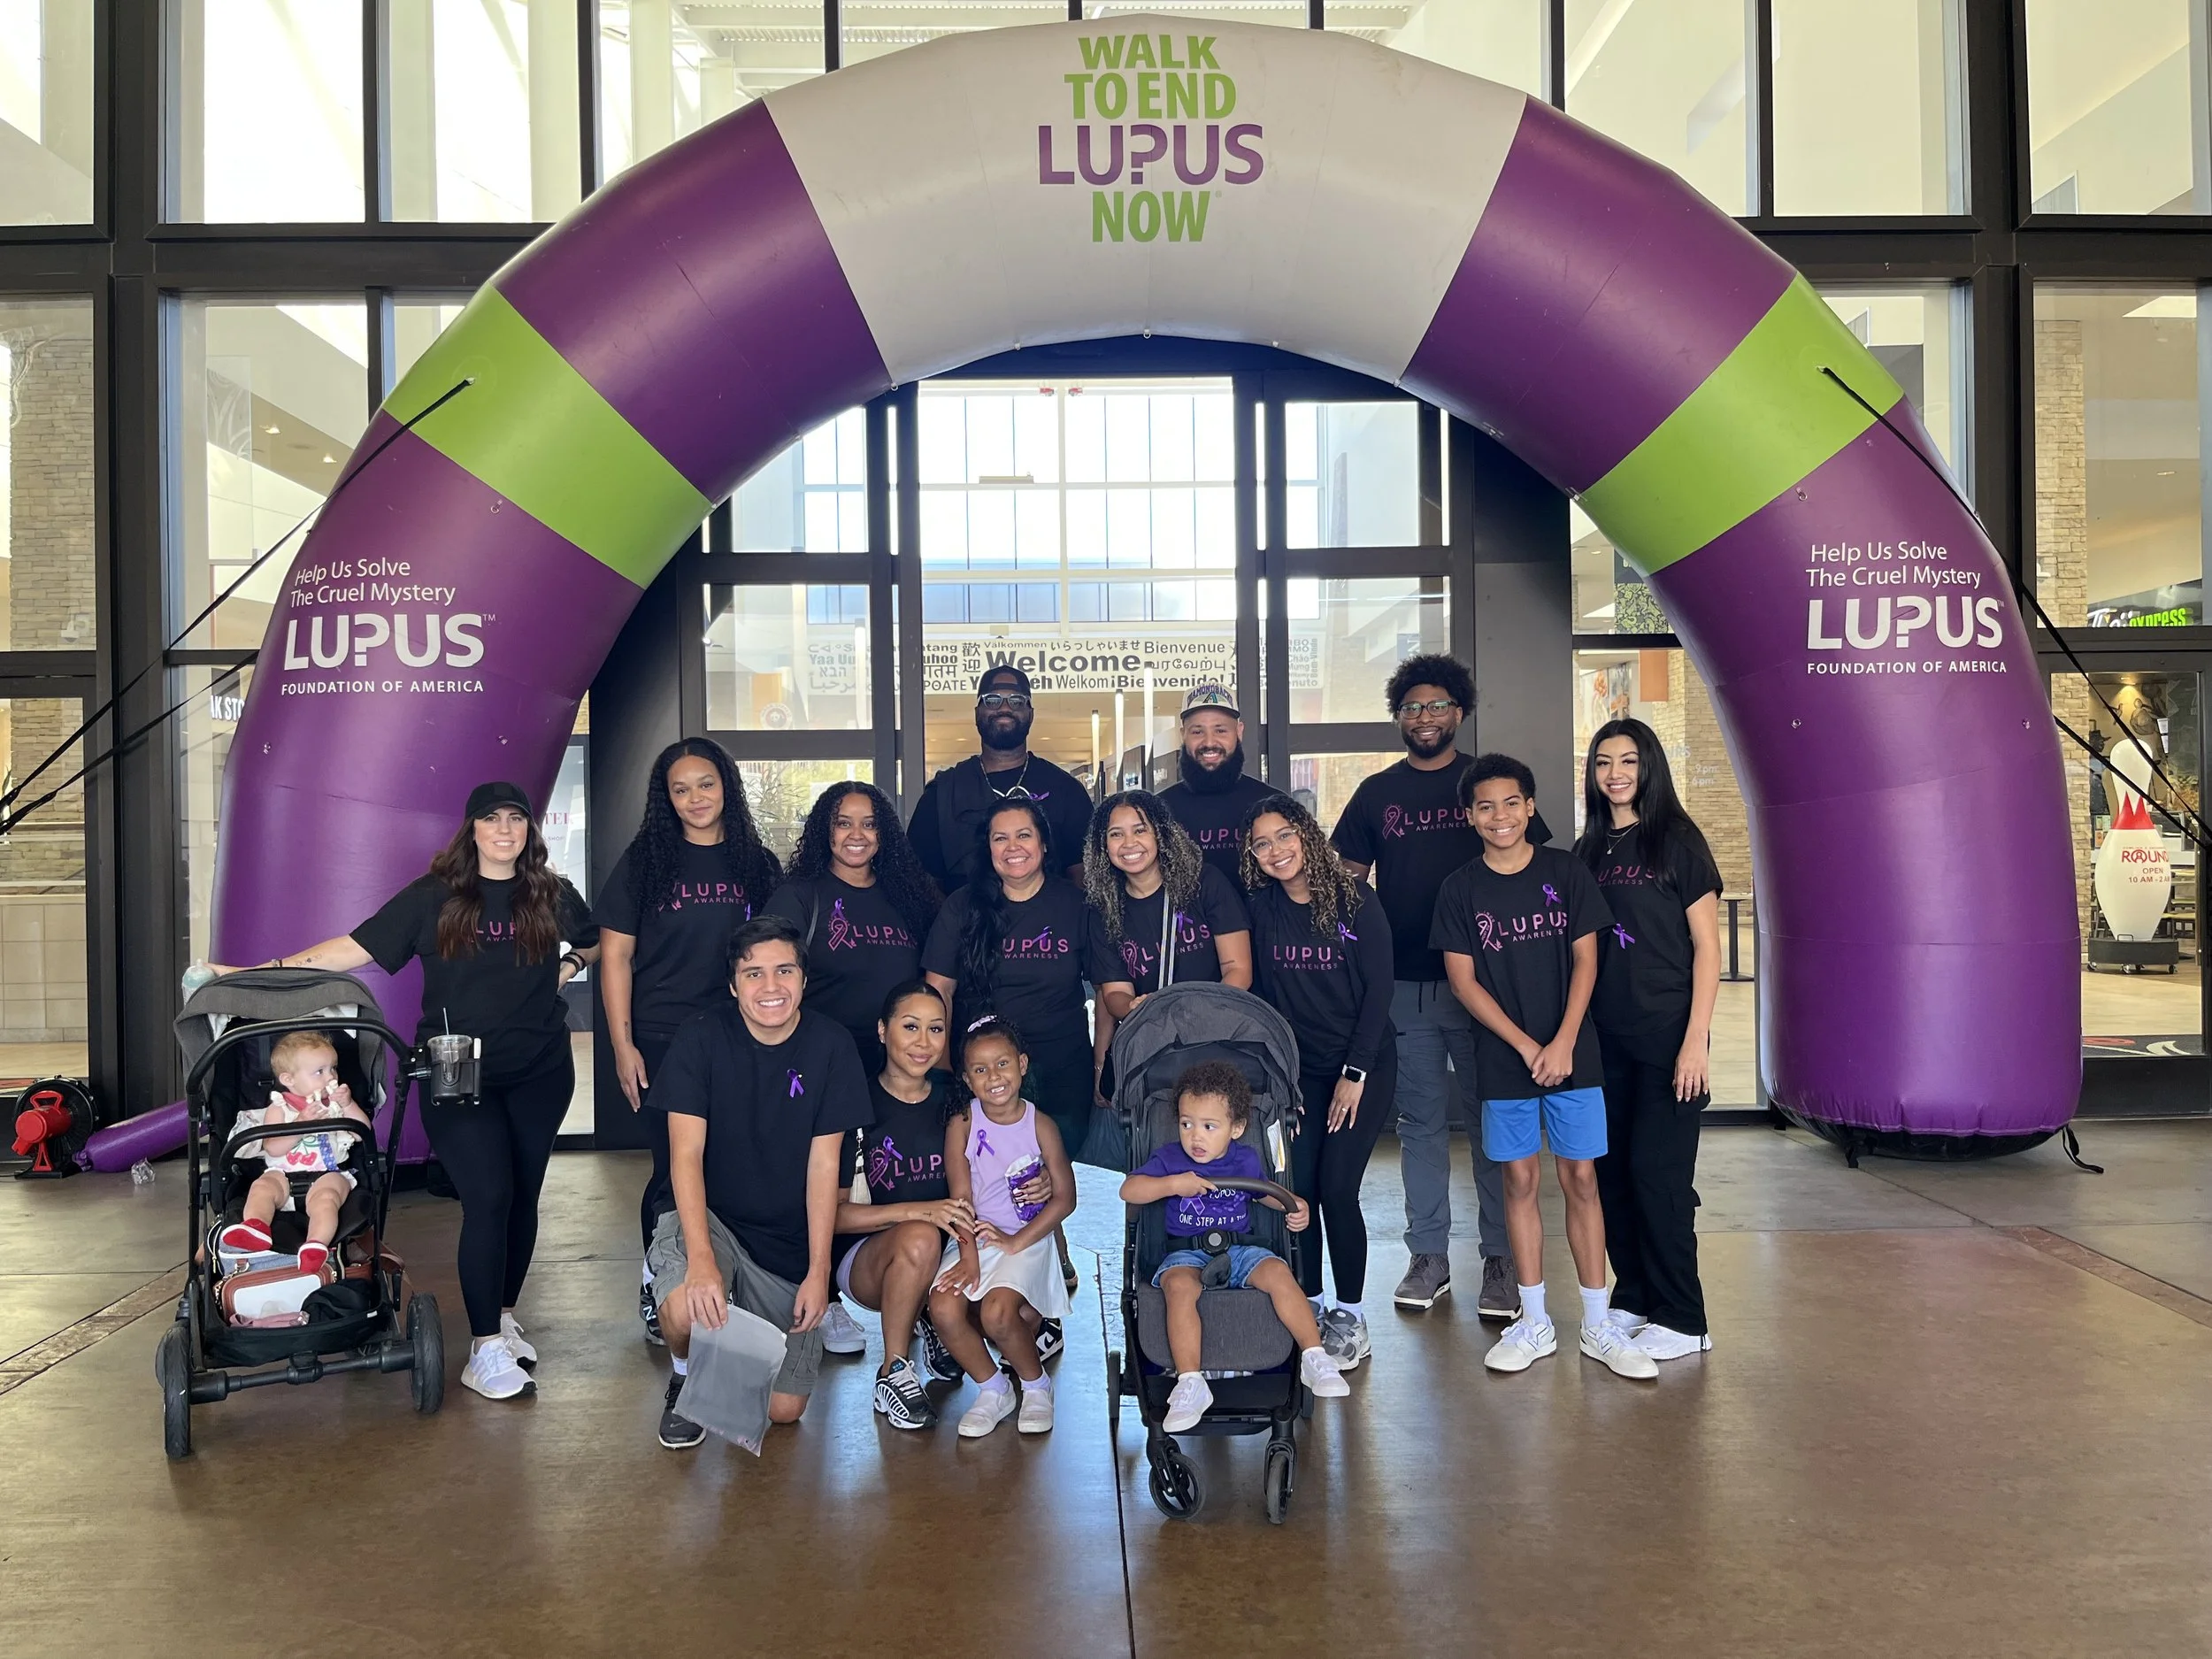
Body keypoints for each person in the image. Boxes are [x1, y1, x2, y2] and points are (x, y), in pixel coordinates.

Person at [219, 780, 598, 1402]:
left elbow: (594, 936)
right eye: (491, 818)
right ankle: (483, 1351)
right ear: (470, 828)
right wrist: (248, 975)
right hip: (456, 1075)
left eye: (516, 819)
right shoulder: (435, 897)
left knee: (524, 1194)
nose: (505, 830)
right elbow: (347, 950)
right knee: (490, 1195)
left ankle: (501, 1316)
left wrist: (569, 966)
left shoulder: (550, 894)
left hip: (541, 1069)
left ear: (529, 829)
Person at [1429, 755, 1655, 1382]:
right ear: (1469, 815)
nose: (1499, 815)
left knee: (1582, 1178)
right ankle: (1533, 1320)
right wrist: (1527, 1047)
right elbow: (1463, 981)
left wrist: (1560, 1042)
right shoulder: (1460, 888)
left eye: (1510, 802)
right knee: (1519, 1183)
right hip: (1504, 1060)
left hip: (1575, 1056)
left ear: (1530, 806)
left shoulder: (1567, 870)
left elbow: (1587, 962)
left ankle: (1597, 1322)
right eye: (1485, 806)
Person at [1329, 654, 1512, 1321]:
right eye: (1412, 707)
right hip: (1405, 987)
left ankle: (1500, 1257)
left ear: (1459, 711)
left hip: (1485, 989)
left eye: (1437, 705)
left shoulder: (1487, 784)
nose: (1425, 716)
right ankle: (1428, 1255)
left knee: (1494, 1125)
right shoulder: (1378, 793)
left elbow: (1522, 864)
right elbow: (1340, 884)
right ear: (1398, 717)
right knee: (1421, 1126)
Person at [650, 916, 873, 1450]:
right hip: (714, 1222)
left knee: (783, 1412)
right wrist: (702, 1259)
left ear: (802, 978)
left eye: (784, 971)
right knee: (686, 1305)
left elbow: (826, 1169)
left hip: (784, 1248)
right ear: (733, 984)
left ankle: (731, 1335)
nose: (770, 987)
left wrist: (821, 1274)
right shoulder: (701, 1035)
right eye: (753, 974)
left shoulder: (832, 1045)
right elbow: (686, 1154)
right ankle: (685, 1373)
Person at [596, 738, 783, 1348]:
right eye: (681, 788)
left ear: (726, 785)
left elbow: (776, 957)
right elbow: (617, 956)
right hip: (662, 1036)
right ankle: (660, 1280)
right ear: (666, 798)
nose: (695, 798)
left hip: (738, 1036)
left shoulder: (755, 862)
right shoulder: (646, 861)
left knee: (733, 1162)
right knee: (672, 1169)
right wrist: (623, 1046)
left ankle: (727, 1277)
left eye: (705, 783)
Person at [1577, 718, 1723, 1363]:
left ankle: (1685, 1315)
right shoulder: (1588, 851)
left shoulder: (1678, 842)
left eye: (1629, 761)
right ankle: (1634, 1292)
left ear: (1649, 766)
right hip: (1604, 1041)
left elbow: (1709, 950)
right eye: (1604, 761)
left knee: (1658, 1176)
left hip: (1669, 1036)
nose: (1616, 773)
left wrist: (1696, 1043)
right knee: (1611, 1174)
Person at [1241, 793, 1395, 1371]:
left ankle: (1351, 1315)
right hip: (1298, 1077)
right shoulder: (1262, 910)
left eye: (1284, 835)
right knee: (1297, 1193)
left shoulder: (1355, 902)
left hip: (1363, 1067)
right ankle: (1304, 1308)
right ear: (1252, 854)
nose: (1276, 850)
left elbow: (1379, 992)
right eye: (1262, 842)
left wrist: (1354, 1073)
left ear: (1306, 834)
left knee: (1337, 1189)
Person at [1120, 1059, 1350, 1432]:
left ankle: (1313, 1354)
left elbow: (1265, 1196)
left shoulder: (1244, 1158)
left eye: (1209, 1127)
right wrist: (1172, 1185)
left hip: (1241, 1250)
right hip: (1186, 1250)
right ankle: (1191, 1381)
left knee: (1278, 1272)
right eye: (1186, 1124)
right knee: (1178, 1287)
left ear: (1236, 1128)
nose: (1195, 1136)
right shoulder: (1169, 1159)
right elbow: (1129, 1189)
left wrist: (1294, 1205)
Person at [922, 801, 1118, 1162]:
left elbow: (1108, 991)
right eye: (1001, 838)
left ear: (1044, 844)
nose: (1013, 847)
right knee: (988, 1180)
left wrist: (1100, 1065)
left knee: (1051, 1183)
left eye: (1024, 835)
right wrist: (943, 1068)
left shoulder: (1078, 905)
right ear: (988, 849)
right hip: (983, 1074)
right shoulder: (962, 906)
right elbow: (939, 992)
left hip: (1063, 1073)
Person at [831, 982, 974, 1430]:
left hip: (947, 1250)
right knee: (918, 1236)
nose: (923, 1042)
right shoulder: (854, 1104)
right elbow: (833, 1216)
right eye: (910, 1027)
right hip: (866, 1260)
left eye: (936, 1029)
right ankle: (894, 1370)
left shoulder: (955, 1099)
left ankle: (931, 1316)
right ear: (881, 1030)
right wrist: (919, 1210)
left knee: (1015, 1314)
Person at [927, 1014, 1079, 1438]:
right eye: (980, 1069)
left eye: (1002, 1064)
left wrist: (1015, 1241)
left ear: (1022, 1065)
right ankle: (994, 1389)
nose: (993, 1077)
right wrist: (970, 1257)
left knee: (997, 1313)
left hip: (1026, 1239)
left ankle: (1035, 1386)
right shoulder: (963, 1122)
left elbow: (1065, 1198)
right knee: (942, 1304)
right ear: (967, 1078)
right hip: (974, 1235)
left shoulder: (1041, 1125)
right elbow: (962, 1199)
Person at [762, 782, 940, 1078]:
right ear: (825, 830)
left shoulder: (911, 897)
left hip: (899, 1070)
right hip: (818, 1066)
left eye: (869, 824)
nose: (857, 835)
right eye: (843, 823)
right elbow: (768, 979)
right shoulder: (799, 896)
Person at [909, 666, 1091, 893]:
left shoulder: (1066, 791)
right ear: (977, 712)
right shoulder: (942, 794)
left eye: (1017, 701)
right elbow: (921, 883)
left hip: (1050, 926)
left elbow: (1083, 879)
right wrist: (952, 925)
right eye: (992, 700)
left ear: (1031, 714)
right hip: (963, 925)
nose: (1004, 708)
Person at [216, 1030, 371, 1275]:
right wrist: (300, 1122)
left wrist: (348, 1105)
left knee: (327, 1200)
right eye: (319, 1071)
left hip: (326, 1173)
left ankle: (315, 1245)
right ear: (289, 1079)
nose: (330, 1077)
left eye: (333, 1069)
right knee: (261, 1188)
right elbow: (272, 1147)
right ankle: (255, 1226)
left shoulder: (336, 1108)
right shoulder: (279, 1108)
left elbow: (363, 1133)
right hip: (282, 1174)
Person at [1156, 683, 1273, 886]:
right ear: (1182, 734)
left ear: (1239, 732)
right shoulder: (1159, 809)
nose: (1209, 742)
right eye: (1197, 732)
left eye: (1220, 730)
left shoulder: (1271, 803)